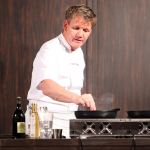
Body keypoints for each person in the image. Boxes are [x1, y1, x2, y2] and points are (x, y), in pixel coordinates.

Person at [26, 4, 97, 138]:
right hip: (43, 119)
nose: (80, 34)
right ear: (65, 26)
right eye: (76, 28)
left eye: (86, 30)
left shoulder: (79, 53)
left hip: (70, 119)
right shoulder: (49, 49)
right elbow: (47, 87)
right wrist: (77, 98)